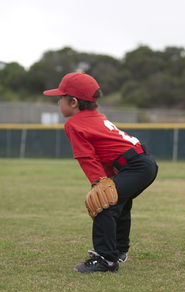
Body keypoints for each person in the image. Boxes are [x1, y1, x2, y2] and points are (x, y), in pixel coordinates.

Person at [43, 72, 158, 273]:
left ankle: (107, 259)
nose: (58, 102)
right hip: (142, 163)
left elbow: (87, 157)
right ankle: (119, 250)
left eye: (60, 98)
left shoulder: (74, 123)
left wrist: (98, 182)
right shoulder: (96, 117)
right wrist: (105, 180)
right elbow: (105, 155)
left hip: (135, 166)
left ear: (73, 102)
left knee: (104, 203)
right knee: (118, 202)